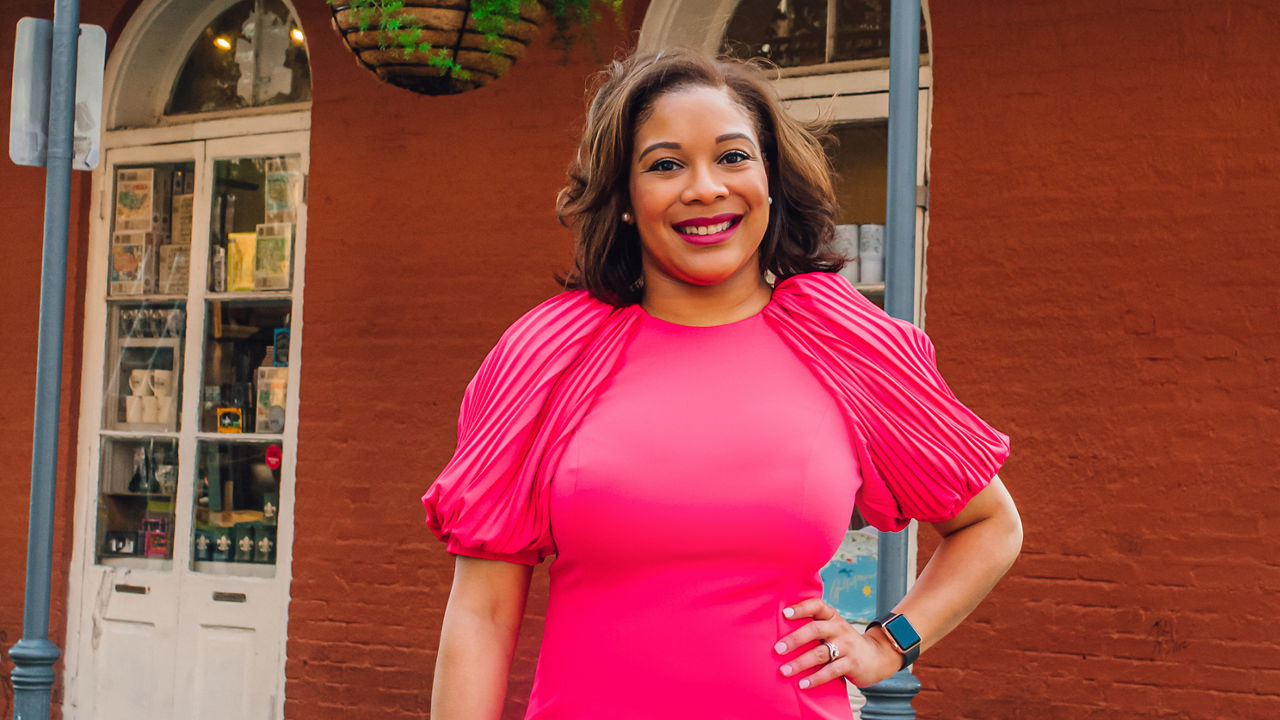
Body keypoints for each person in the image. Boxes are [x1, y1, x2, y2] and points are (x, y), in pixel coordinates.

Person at [423, 48, 1022, 720]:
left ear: (769, 178)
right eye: (665, 164)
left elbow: (990, 525)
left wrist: (889, 642)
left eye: (733, 157)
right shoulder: (549, 356)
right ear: (622, 198)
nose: (705, 188)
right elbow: (481, 616)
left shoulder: (842, 344)